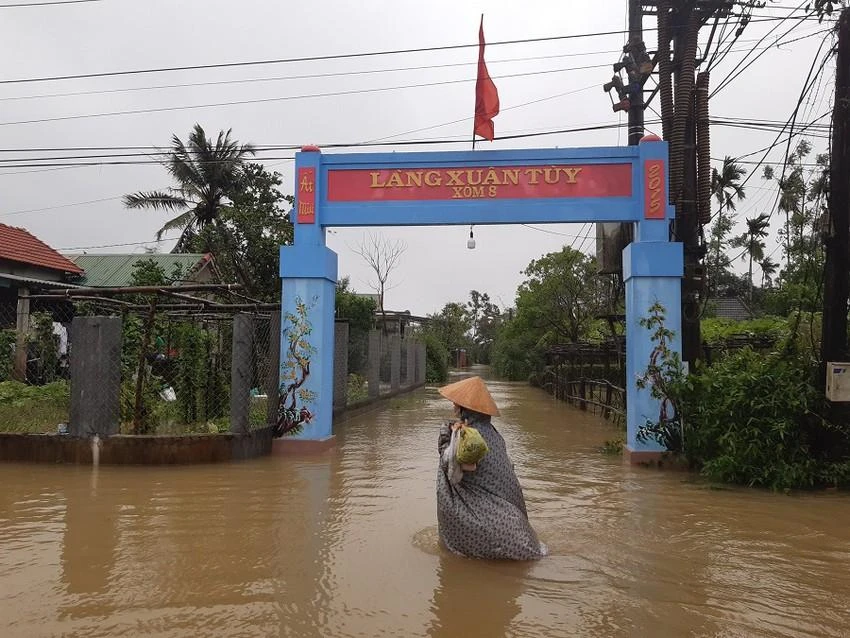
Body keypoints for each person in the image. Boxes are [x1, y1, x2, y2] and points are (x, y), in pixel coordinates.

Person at [436, 376, 546, 561]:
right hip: (516, 522)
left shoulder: (469, 437)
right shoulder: (492, 432)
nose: (453, 407)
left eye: (456, 404)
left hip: (499, 526)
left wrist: (447, 437)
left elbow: (452, 464)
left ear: (465, 408)